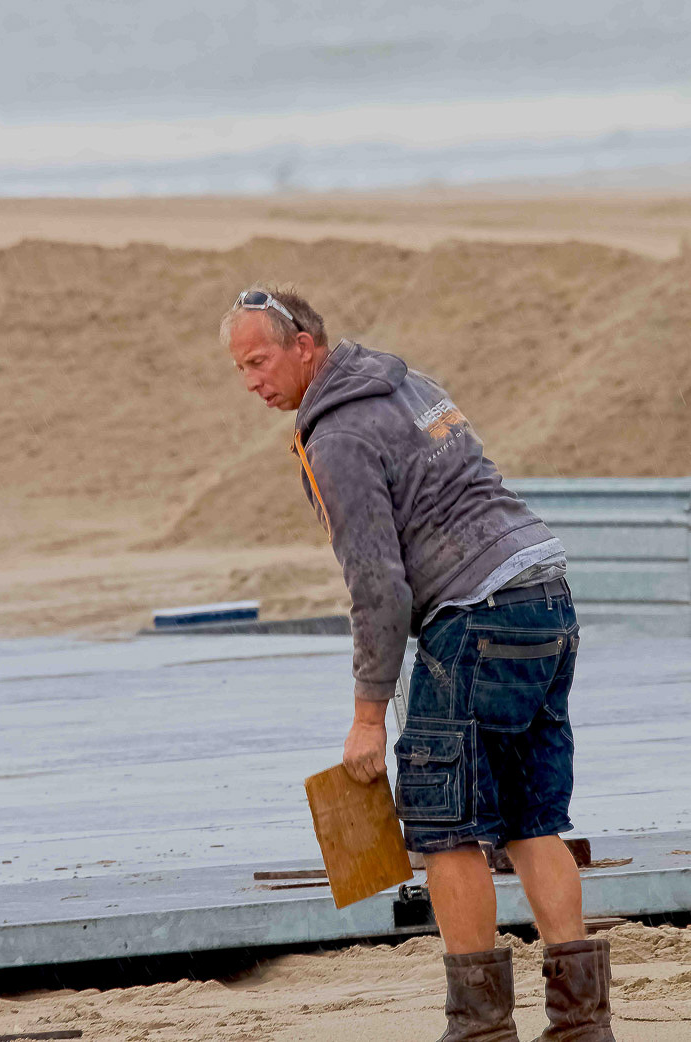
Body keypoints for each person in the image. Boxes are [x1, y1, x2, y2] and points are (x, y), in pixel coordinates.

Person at [222, 286, 616, 1042]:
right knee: (533, 819)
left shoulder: (337, 436)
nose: (251, 382)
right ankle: (581, 1027)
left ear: (304, 345)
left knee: (445, 829)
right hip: (545, 597)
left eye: (259, 361)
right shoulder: (406, 383)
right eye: (240, 368)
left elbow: (378, 585)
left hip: (477, 616)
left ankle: (479, 1031)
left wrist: (368, 718)